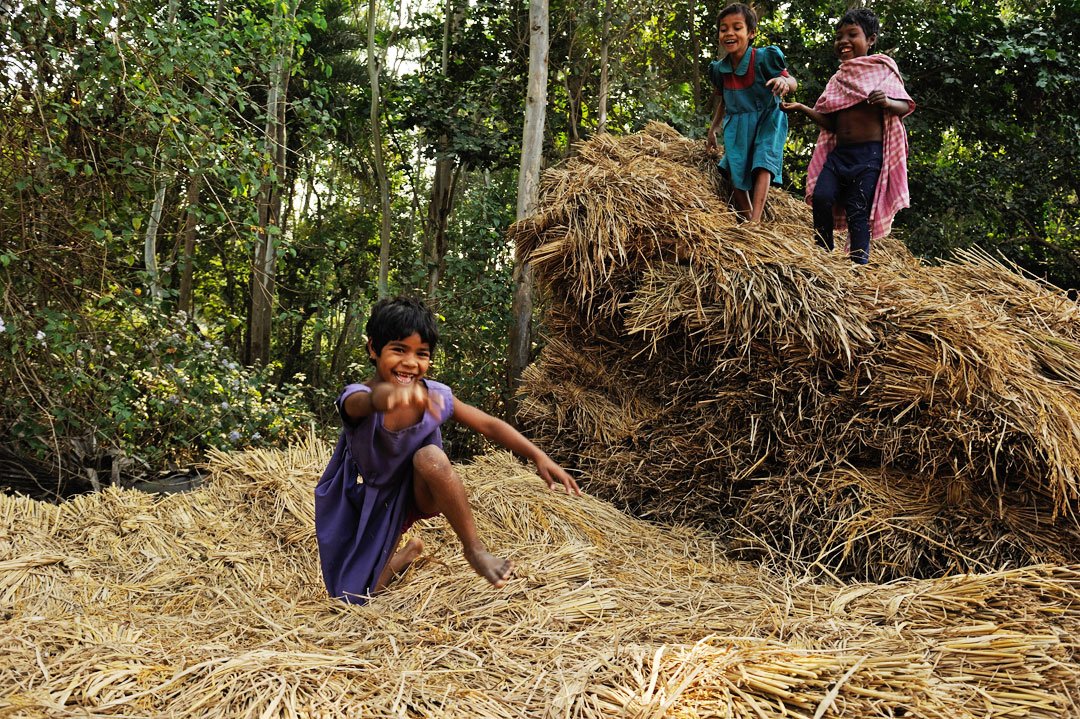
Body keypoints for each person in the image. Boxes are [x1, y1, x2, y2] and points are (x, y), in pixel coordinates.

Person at [314, 296, 580, 604]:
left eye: (421, 354)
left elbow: (490, 425)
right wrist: (386, 398)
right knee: (352, 598)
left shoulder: (436, 396)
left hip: (419, 490)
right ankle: (407, 553)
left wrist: (538, 456)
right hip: (375, 498)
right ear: (374, 349)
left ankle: (474, 550)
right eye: (399, 349)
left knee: (430, 456)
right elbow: (362, 403)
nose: (411, 362)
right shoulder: (358, 396)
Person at [781, 8, 914, 264]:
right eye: (839, 36)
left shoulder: (883, 68)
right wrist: (802, 108)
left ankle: (858, 265)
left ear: (871, 39)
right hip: (839, 154)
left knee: (858, 210)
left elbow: (904, 106)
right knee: (821, 198)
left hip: (870, 155)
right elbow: (830, 123)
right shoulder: (838, 79)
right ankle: (823, 254)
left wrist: (886, 101)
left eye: (852, 34)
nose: (843, 41)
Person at [706, 3, 797, 223]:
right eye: (724, 28)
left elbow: (792, 81)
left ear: (751, 33)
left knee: (763, 162)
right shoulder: (719, 69)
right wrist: (713, 129)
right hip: (737, 122)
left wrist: (784, 82)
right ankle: (747, 219)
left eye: (737, 28)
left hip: (768, 117)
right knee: (733, 168)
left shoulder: (765, 57)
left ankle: (755, 221)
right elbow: (724, 100)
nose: (729, 33)